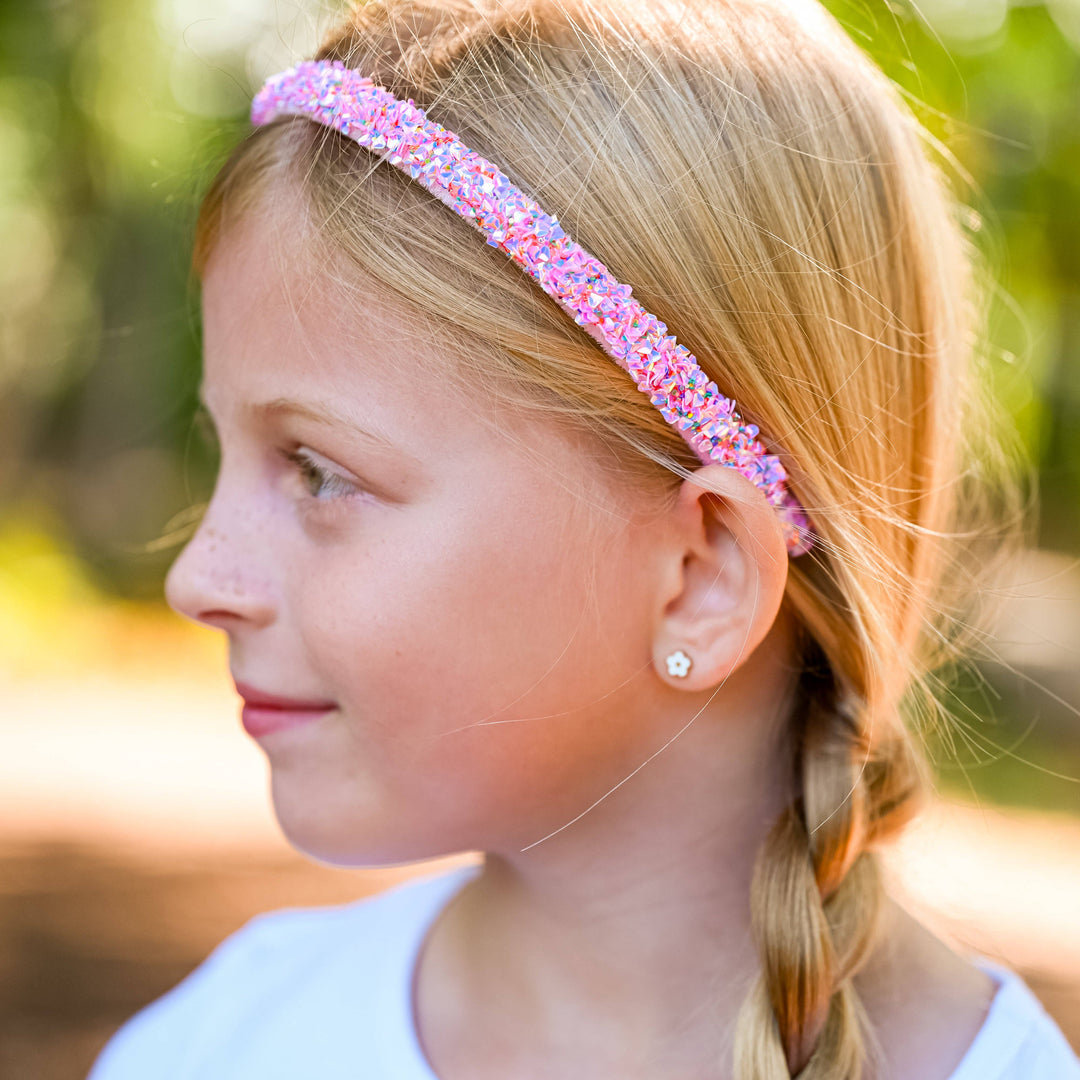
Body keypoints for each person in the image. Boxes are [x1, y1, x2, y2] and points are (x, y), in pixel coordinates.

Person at [87, 0, 1080, 1076]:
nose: (197, 578)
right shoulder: (216, 1046)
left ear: (701, 576)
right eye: (222, 450)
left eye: (320, 472)